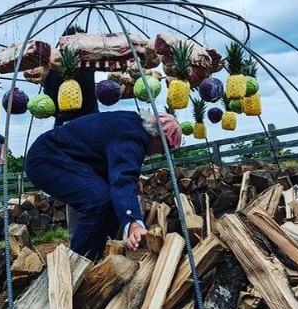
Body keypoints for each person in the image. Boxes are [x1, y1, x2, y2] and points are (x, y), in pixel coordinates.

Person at [24, 110, 182, 261]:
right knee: (99, 200)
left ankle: (99, 252)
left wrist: (133, 179)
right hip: (47, 159)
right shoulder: (132, 136)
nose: (159, 153)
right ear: (156, 138)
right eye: (163, 149)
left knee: (107, 197)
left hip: (70, 160)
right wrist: (133, 223)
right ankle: (78, 264)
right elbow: (122, 179)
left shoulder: (131, 124)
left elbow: (113, 159)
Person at [42, 24, 100, 235]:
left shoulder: (51, 68)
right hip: (88, 128)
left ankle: (80, 234)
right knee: (94, 176)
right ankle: (86, 233)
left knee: (76, 182)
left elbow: (48, 101)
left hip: (65, 129)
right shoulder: (86, 62)